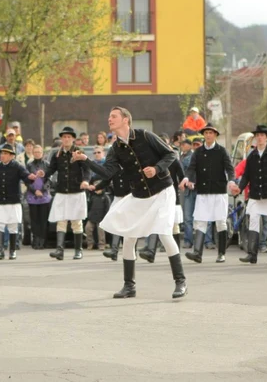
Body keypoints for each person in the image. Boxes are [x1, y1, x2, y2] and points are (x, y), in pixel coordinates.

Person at [73, 106, 187, 299]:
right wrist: (85, 160)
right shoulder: (115, 148)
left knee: (165, 234)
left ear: (126, 120)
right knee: (128, 238)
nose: (109, 119)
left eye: (114, 116)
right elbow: (108, 172)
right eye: (109, 116)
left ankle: (180, 281)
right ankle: (129, 286)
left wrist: (157, 168)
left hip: (163, 191)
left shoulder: (144, 135)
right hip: (139, 195)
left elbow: (171, 154)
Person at [232, 125, 267, 265]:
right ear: (256, 138)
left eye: (263, 135)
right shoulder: (252, 156)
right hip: (255, 194)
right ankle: (252, 254)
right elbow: (246, 176)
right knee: (253, 221)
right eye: (258, 135)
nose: (260, 137)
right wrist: (240, 188)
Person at [181, 123, 235, 264]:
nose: (208, 135)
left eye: (211, 133)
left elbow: (230, 169)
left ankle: (221, 253)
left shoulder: (222, 151)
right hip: (203, 192)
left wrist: (231, 181)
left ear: (215, 135)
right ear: (204, 135)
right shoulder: (198, 152)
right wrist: (187, 178)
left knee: (220, 223)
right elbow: (191, 168)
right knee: (200, 221)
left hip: (219, 192)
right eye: (206, 133)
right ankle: (197, 253)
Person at [36, 126, 91, 261]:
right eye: (64, 137)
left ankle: (78, 250)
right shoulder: (57, 154)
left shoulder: (79, 152)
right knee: (61, 220)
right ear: (61, 139)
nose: (66, 139)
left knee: (76, 222)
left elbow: (87, 170)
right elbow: (51, 169)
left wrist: (85, 181)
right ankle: (59, 250)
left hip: (76, 192)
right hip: (62, 192)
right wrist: (44, 174)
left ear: (73, 139)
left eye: (68, 137)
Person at [26, 145, 52, 249]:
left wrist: (42, 190)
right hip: (32, 196)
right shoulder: (29, 165)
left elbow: (49, 180)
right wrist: (34, 191)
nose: (37, 154)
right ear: (33, 153)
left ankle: (43, 240)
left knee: (43, 219)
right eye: (35, 152)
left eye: (39, 152)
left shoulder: (46, 164)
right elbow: (26, 180)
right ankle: (35, 239)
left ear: (42, 153)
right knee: (34, 220)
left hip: (44, 196)